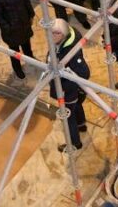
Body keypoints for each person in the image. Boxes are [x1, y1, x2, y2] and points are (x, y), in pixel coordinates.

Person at [49, 19, 91, 153]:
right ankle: (82, 125)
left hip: (68, 88)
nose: (51, 36)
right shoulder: (67, 40)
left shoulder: (70, 52)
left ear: (63, 34)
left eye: (55, 33)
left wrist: (66, 89)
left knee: (68, 116)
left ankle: (75, 143)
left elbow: (82, 72)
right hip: (72, 87)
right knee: (77, 105)